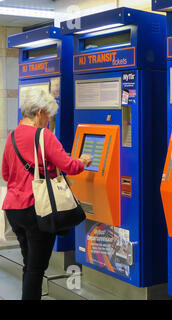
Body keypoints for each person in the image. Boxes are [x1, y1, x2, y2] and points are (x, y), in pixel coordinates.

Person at [1, 87, 92, 300]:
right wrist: (83, 161)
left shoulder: (12, 137)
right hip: (38, 209)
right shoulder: (44, 135)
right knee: (36, 268)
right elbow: (70, 166)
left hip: (14, 210)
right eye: (49, 116)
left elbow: (6, 174)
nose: (49, 120)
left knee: (29, 263)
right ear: (40, 112)